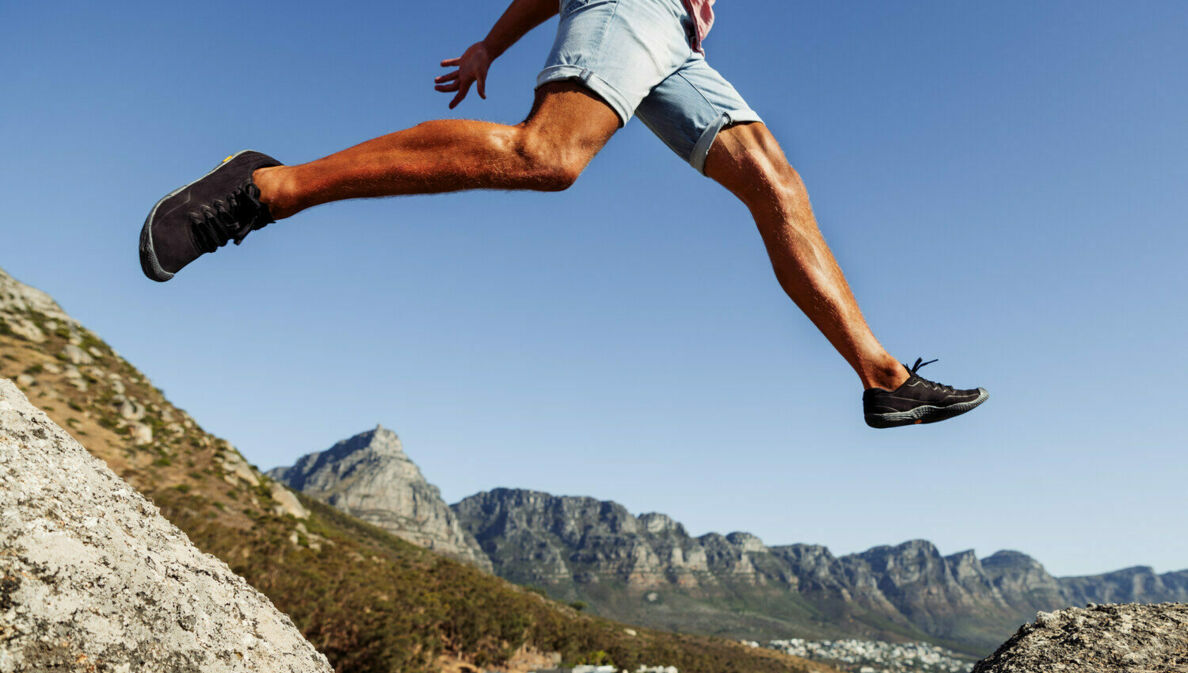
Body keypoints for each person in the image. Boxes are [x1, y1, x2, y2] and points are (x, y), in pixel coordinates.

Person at [138, 0, 987, 428]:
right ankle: (268, 186)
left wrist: (487, 46)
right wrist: (494, 43)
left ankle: (881, 379)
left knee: (778, 182)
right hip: (629, 5)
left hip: (675, 44)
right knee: (547, 155)